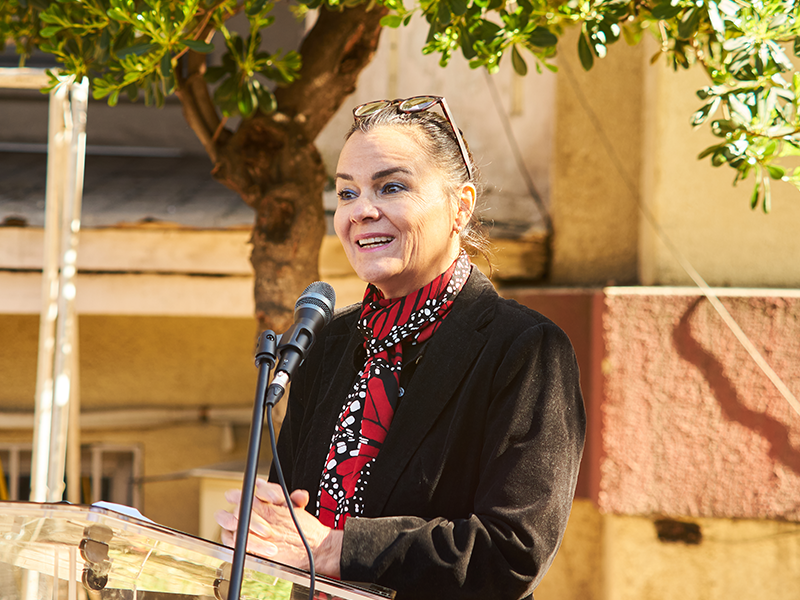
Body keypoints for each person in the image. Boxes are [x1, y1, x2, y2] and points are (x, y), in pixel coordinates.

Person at [216, 95, 586, 600]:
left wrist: (338, 549)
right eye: (346, 194)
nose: (361, 212)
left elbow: (511, 552)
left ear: (461, 207)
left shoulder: (524, 349)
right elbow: (293, 533)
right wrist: (260, 538)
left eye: (391, 187)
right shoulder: (325, 344)